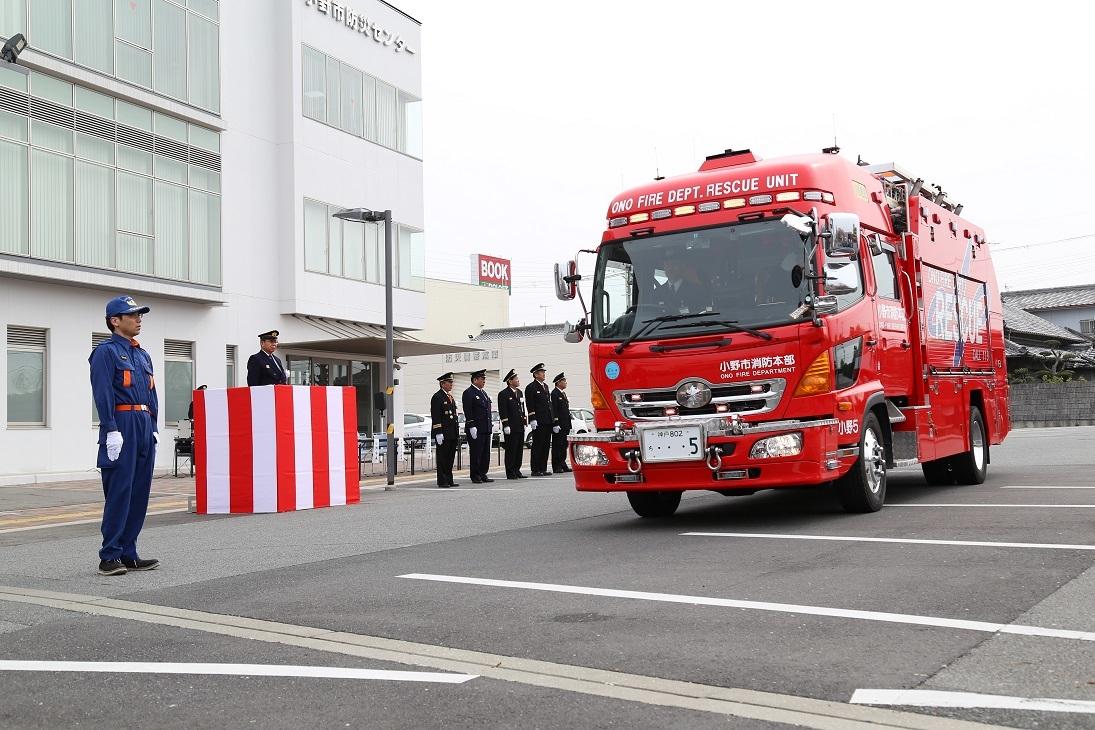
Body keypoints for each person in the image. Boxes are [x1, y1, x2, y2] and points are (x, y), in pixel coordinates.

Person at [89, 295, 160, 576]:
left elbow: (151, 392)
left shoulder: (142, 354)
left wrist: (153, 425)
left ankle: (129, 552)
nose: (138, 319)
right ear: (115, 321)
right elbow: (103, 393)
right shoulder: (105, 352)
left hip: (142, 423)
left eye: (140, 315)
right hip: (122, 422)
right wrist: (110, 428)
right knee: (119, 490)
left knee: (139, 491)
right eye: (132, 315)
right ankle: (110, 555)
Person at [460, 369, 494, 483]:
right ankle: (475, 475)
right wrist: (471, 425)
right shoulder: (469, 392)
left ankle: (483, 473)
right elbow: (468, 410)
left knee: (485, 453)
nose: (484, 381)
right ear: (475, 380)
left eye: (484, 379)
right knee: (476, 452)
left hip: (485, 427)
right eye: (482, 379)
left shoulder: (483, 392)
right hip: (476, 428)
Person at [430, 372, 460, 488]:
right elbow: (436, 416)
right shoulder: (437, 397)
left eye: (452, 382)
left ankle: (449, 479)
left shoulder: (450, 396)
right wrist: (438, 432)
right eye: (449, 382)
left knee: (450, 457)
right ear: (442, 384)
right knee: (443, 458)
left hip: (452, 432)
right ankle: (442, 480)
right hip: (443, 433)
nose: (451, 384)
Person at [497, 369, 527, 479]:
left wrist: (524, 420)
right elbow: (503, 410)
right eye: (516, 379)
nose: (518, 380)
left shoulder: (519, 392)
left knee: (519, 449)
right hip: (511, 426)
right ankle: (510, 471)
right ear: (510, 381)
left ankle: (517, 469)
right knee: (511, 449)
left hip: (519, 425)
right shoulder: (503, 394)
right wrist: (506, 424)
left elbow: (522, 408)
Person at [524, 363, 553, 476]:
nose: (544, 374)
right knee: (538, 445)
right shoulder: (531, 387)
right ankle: (535, 469)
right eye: (542, 372)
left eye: (544, 372)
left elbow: (548, 404)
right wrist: (532, 419)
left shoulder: (545, 386)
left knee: (546, 445)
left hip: (547, 420)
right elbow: (530, 404)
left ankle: (543, 468)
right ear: (536, 374)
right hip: (539, 420)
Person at [550, 373, 573, 473]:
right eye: (564, 381)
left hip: (565, 424)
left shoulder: (562, 393)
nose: (566, 383)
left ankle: (563, 464)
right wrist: (556, 423)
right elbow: (554, 409)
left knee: (564, 445)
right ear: (558, 382)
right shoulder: (554, 394)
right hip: (559, 424)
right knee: (557, 446)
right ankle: (557, 466)